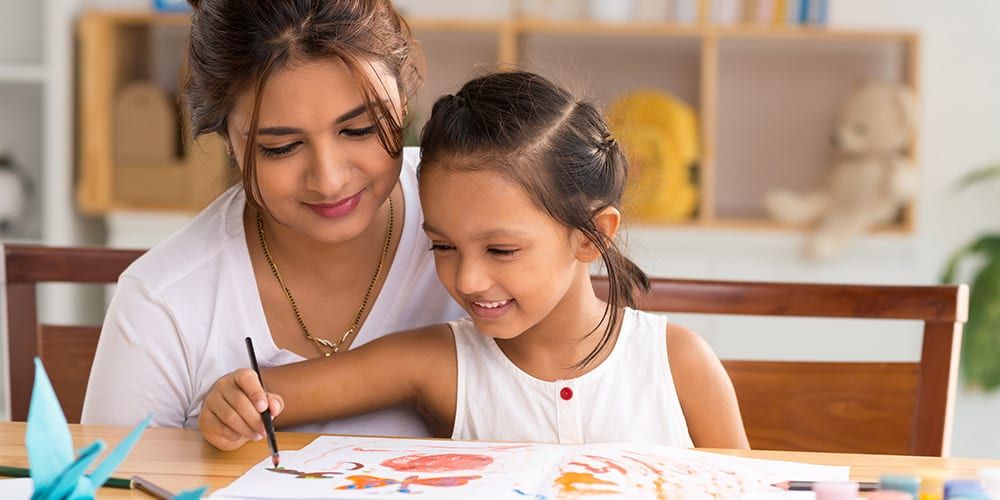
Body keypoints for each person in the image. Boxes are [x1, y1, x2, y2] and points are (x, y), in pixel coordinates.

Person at [199, 70, 750, 450]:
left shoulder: (678, 363)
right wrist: (235, 402)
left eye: (501, 250)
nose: (466, 278)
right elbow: (267, 397)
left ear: (591, 237)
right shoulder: (438, 363)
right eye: (443, 246)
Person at [81, 0, 465, 441]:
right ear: (229, 139)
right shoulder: (163, 302)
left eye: (359, 129)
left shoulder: (491, 219)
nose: (329, 180)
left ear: (403, 99)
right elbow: (108, 483)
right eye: (281, 147)